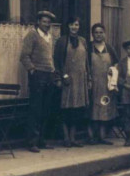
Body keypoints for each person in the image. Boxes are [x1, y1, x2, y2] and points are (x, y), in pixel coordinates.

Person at [20, 10, 60, 153]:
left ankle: (42, 140)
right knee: (35, 109)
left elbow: (50, 57)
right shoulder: (32, 35)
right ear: (38, 22)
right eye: (44, 21)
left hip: (49, 75)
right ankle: (32, 142)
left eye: (49, 22)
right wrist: (32, 70)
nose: (46, 24)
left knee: (46, 109)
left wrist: (54, 72)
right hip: (38, 76)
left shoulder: (50, 37)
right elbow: (24, 56)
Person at [53, 16, 91, 148]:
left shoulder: (83, 41)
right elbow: (56, 61)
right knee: (65, 109)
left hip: (80, 80)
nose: (74, 27)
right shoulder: (62, 41)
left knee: (77, 110)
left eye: (76, 25)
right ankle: (66, 138)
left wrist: (89, 78)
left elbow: (86, 62)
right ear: (68, 26)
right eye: (72, 25)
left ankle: (73, 138)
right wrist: (62, 76)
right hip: (67, 80)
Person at [86, 23, 119, 145]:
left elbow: (116, 64)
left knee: (104, 109)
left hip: (106, 84)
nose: (98, 35)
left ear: (104, 34)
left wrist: (113, 79)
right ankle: (90, 136)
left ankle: (102, 136)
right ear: (92, 34)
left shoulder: (109, 48)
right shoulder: (88, 47)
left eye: (101, 32)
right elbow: (85, 65)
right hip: (92, 83)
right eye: (96, 32)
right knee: (92, 110)